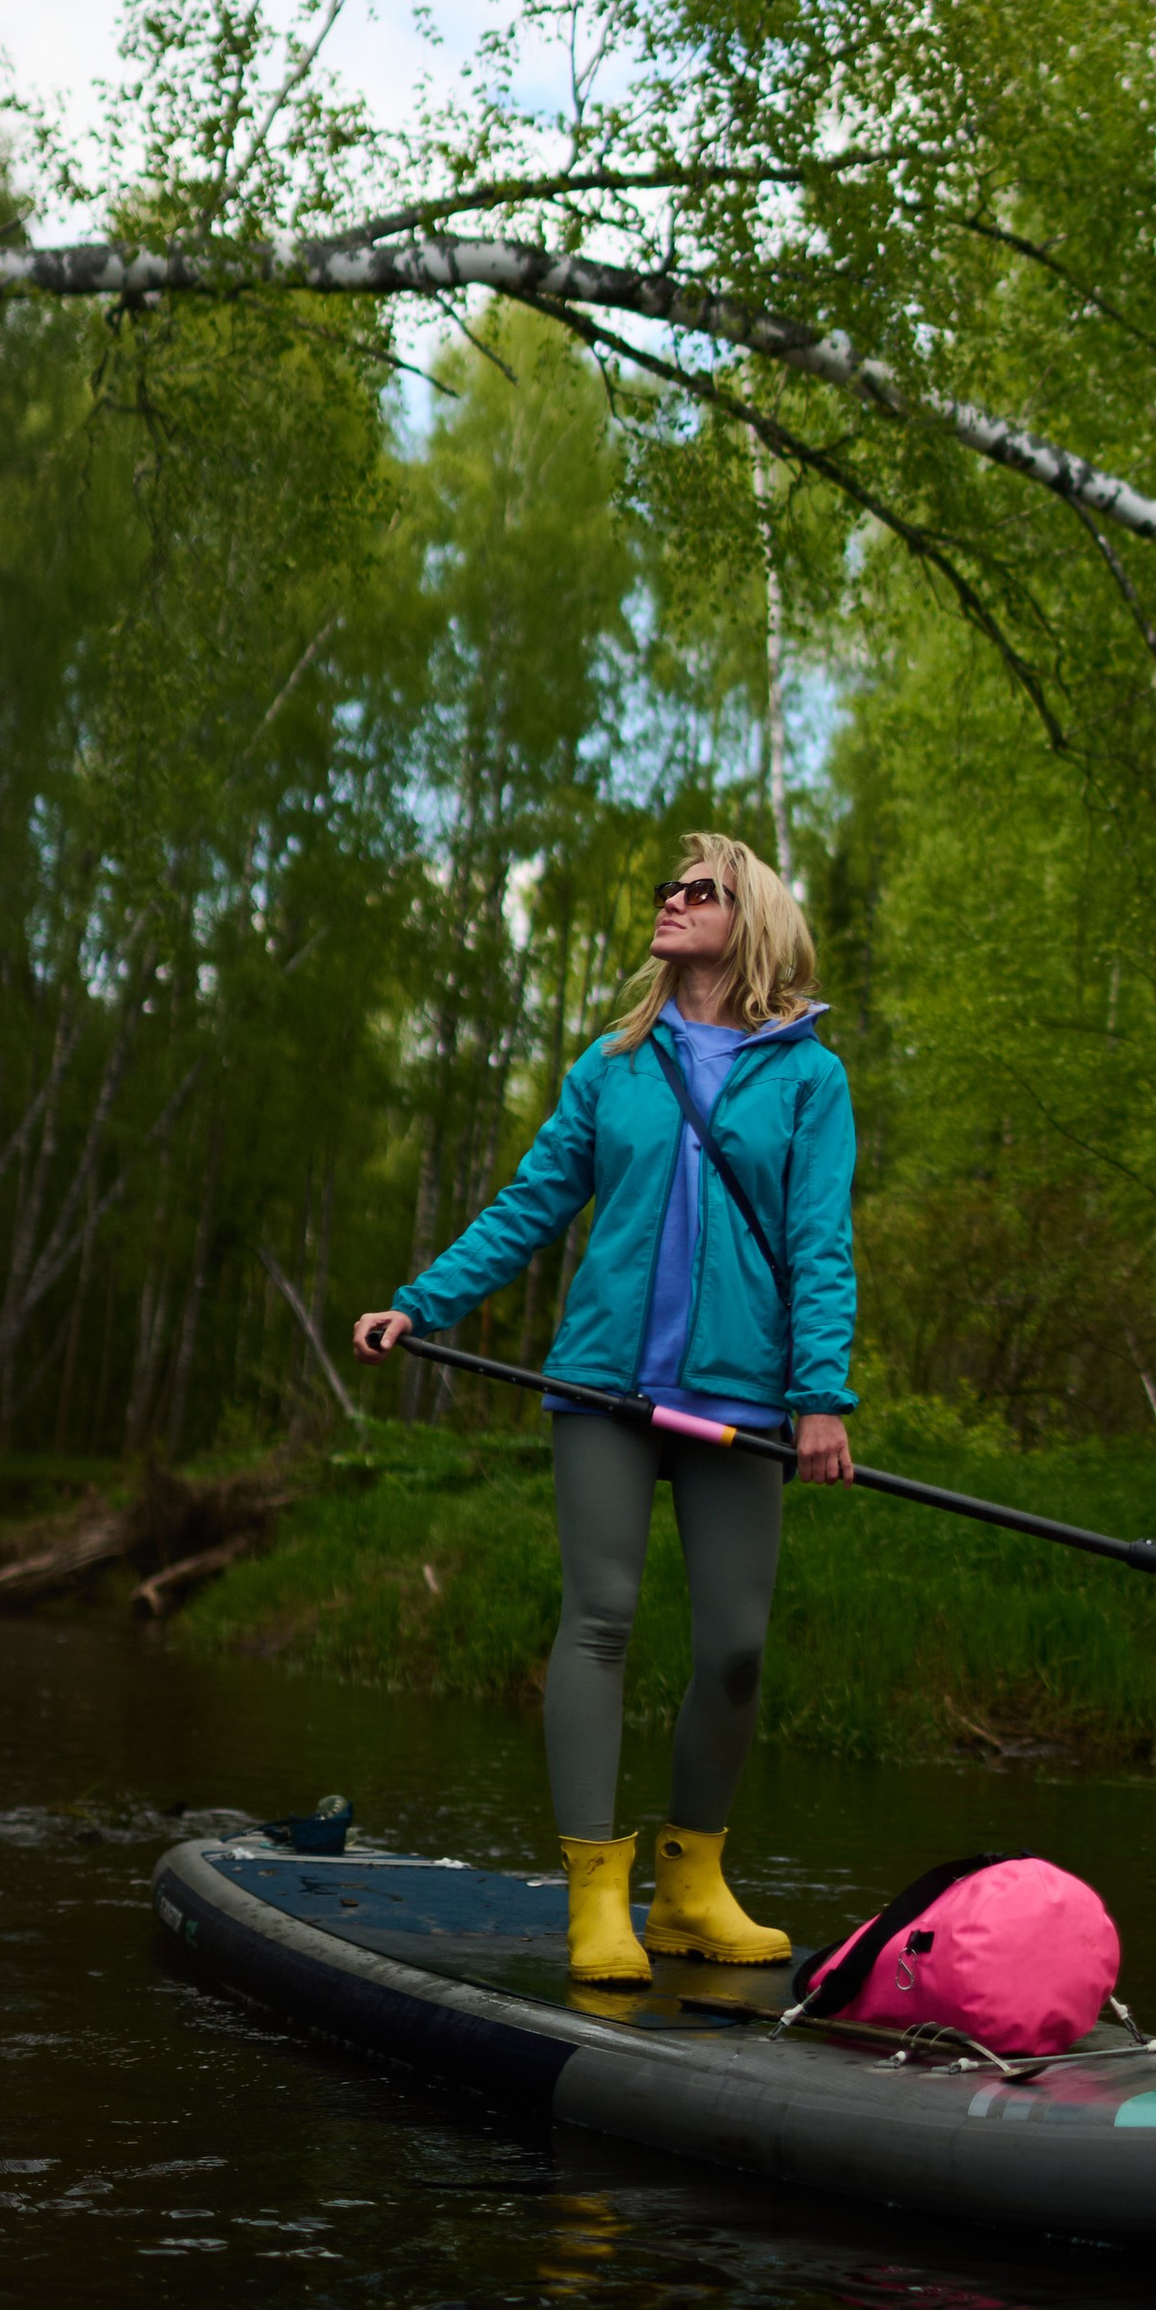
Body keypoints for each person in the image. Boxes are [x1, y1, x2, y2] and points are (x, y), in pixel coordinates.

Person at [353, 835, 856, 1987]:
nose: (670, 903)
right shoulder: (615, 1063)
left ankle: (689, 1887)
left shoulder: (808, 1077)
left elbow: (822, 1243)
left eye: (699, 890)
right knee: (603, 1618)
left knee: (733, 1648)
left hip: (745, 1397)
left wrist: (821, 1392)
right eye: (667, 889)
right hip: (600, 1386)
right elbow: (529, 1204)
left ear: (753, 920)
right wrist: (420, 1302)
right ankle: (596, 1897)